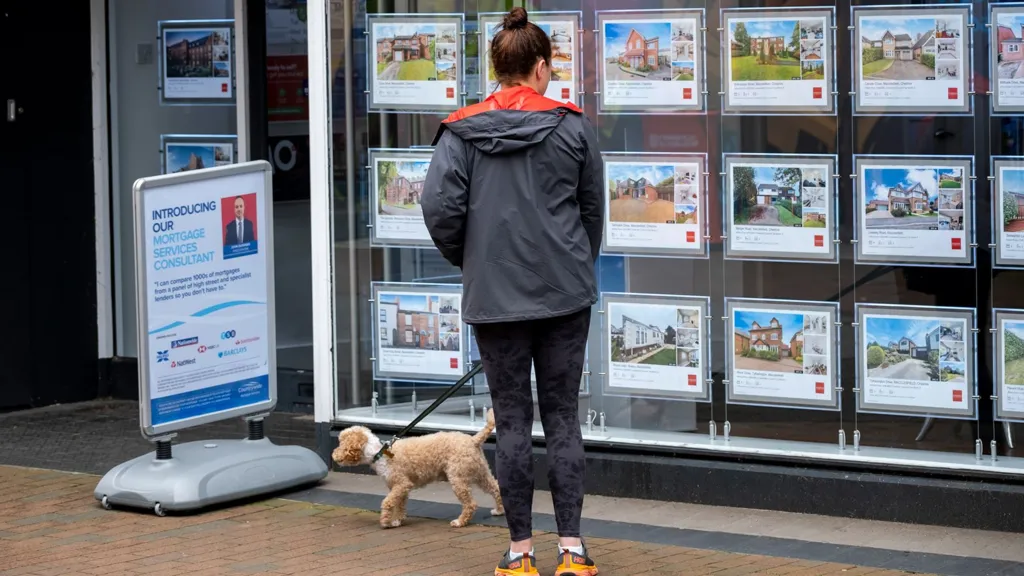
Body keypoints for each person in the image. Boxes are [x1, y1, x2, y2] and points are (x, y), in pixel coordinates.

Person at [421, 7, 603, 576]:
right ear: (541, 68)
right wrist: (574, 262)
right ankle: (571, 551)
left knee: (512, 421)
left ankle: (520, 554)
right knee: (564, 418)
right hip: (564, 295)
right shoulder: (573, 126)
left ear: (496, 68)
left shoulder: (460, 131)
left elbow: (438, 209)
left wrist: (472, 260)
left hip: (495, 297)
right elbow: (592, 211)